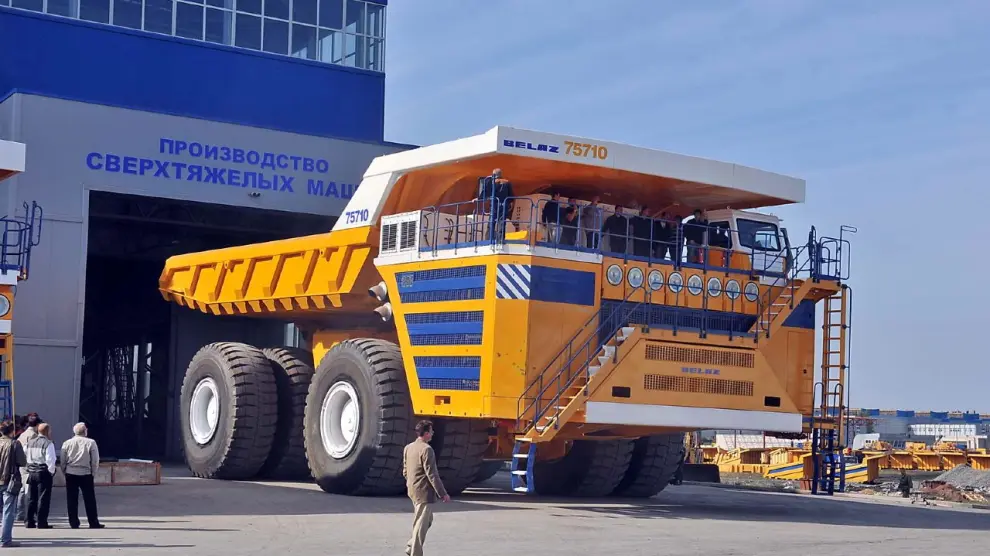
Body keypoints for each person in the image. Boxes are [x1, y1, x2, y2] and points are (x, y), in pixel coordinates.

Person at [402, 420, 449, 556]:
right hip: (423, 492)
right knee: (421, 524)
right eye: (431, 431)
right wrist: (442, 493)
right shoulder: (427, 450)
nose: (433, 433)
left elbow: (405, 471)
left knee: (427, 519)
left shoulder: (408, 447)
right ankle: (415, 553)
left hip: (412, 489)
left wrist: (412, 483)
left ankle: (411, 546)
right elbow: (432, 474)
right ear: (427, 433)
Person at [61, 423, 104, 529]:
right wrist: (93, 472)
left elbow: (63, 460)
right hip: (86, 473)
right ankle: (93, 522)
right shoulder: (91, 442)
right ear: (85, 431)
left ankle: (73, 522)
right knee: (89, 499)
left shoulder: (67, 443)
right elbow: (95, 460)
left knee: (71, 499)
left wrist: (64, 471)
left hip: (71, 473)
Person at [24, 423, 56, 529]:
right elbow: (50, 460)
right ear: (47, 431)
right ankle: (42, 522)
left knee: (31, 497)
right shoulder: (48, 443)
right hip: (43, 472)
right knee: (43, 498)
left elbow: (25, 453)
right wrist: (51, 472)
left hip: (31, 472)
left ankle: (29, 521)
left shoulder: (30, 442)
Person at [0, 420, 26, 548]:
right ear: (12, 431)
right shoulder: (15, 444)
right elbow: (22, 462)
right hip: (8, 480)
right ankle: (5, 540)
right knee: (8, 511)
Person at [15, 413, 41, 523]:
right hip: (29, 464)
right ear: (37, 425)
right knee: (28, 490)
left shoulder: (23, 434)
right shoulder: (33, 436)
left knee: (23, 489)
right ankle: (26, 514)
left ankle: (20, 513)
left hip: (22, 464)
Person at [477, 168, 515, 243]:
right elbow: (511, 195)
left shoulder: (491, 182)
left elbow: (486, 193)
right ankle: (501, 239)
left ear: (494, 174)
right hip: (504, 205)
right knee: (502, 222)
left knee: (491, 222)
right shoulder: (507, 182)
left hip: (494, 204)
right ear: (501, 174)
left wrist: (479, 198)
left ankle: (489, 239)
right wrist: (510, 204)